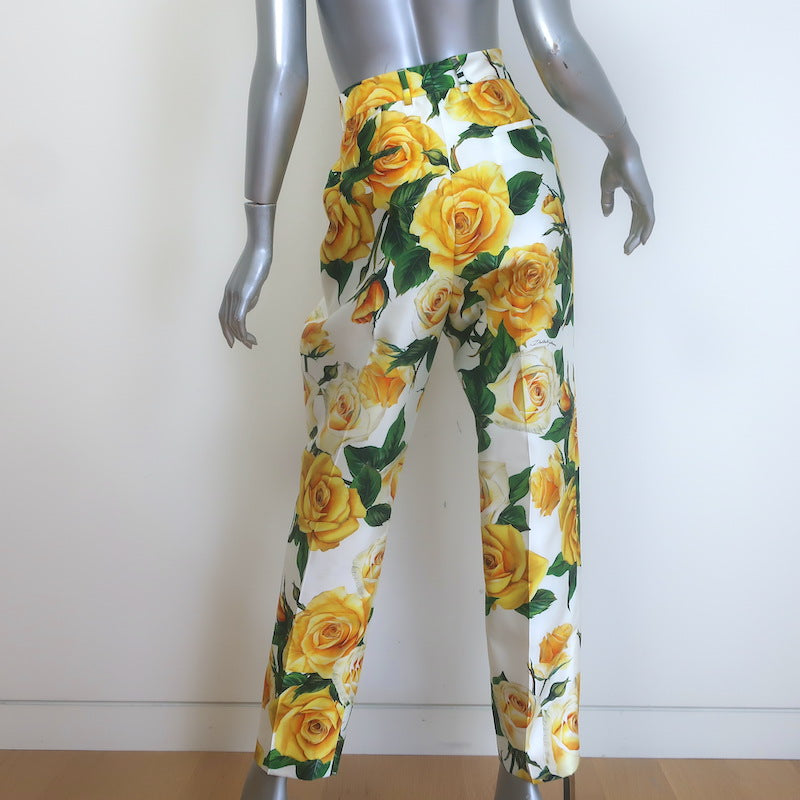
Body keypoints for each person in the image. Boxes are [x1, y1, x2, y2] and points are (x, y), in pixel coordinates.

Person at [220, 2, 655, 799]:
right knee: (534, 474)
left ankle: (277, 770)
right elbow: (554, 46)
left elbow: (284, 69)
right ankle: (530, 775)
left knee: (345, 474)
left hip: (390, 167)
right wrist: (620, 138)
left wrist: (259, 228)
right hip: (512, 160)